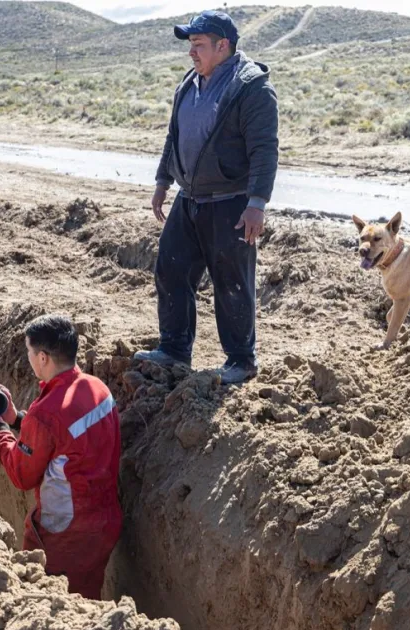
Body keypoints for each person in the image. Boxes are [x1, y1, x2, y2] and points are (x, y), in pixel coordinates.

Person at [137, 10, 279, 385]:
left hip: (231, 202)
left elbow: (265, 150)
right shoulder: (190, 82)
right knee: (171, 269)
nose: (192, 53)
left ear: (223, 46)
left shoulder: (252, 88)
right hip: (190, 198)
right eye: (190, 45)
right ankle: (174, 350)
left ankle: (241, 361)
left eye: (198, 45)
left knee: (231, 282)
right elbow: (175, 134)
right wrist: (163, 180)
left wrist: (256, 204)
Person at [0, 314, 121, 599]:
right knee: (88, 601)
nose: (28, 359)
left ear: (43, 357)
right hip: (104, 524)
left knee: (47, 606)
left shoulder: (46, 413)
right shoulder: (98, 389)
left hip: (64, 535)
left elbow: (21, 474)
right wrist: (16, 419)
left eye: (29, 352)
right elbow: (65, 440)